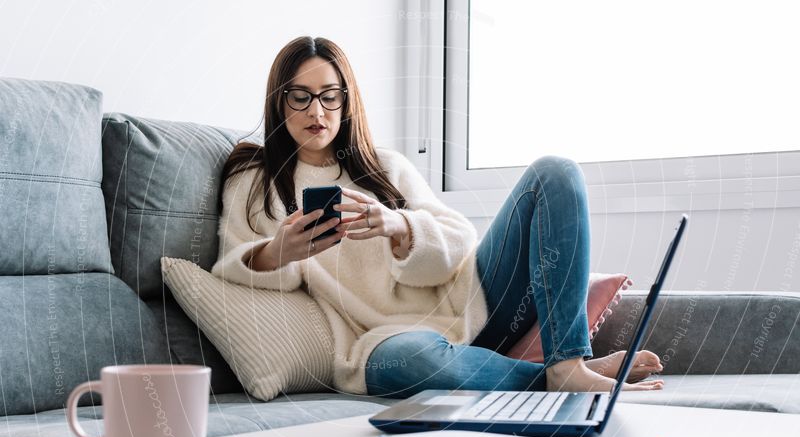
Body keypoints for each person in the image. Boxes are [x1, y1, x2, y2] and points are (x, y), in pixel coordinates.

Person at [211, 36, 664, 399]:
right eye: (300, 97)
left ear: (347, 102)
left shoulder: (384, 167)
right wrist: (276, 253)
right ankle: (549, 379)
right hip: (384, 340)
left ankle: (568, 362)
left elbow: (458, 240)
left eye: (330, 97)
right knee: (415, 363)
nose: (316, 112)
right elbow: (229, 267)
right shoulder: (254, 182)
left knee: (555, 171)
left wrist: (400, 227)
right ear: (279, 101)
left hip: (473, 303)